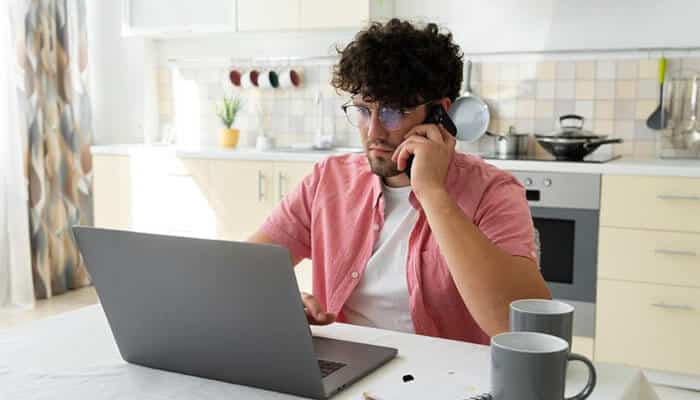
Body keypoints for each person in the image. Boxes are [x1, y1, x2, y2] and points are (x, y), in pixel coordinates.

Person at [249, 18, 550, 344]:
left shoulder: (493, 192)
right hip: (348, 373)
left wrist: (432, 192)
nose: (374, 132)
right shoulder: (329, 180)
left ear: (440, 113)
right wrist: (283, 301)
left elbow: (523, 329)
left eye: (393, 112)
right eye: (364, 110)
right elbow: (241, 269)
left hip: (447, 381)